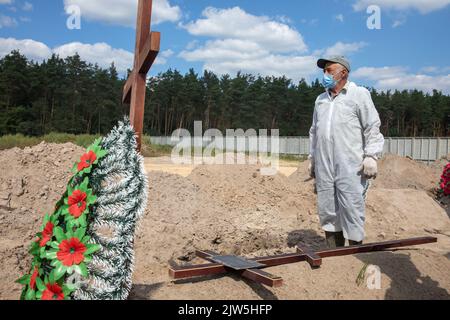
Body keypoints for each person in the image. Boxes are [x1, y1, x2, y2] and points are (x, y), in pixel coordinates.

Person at [308, 56, 385, 248]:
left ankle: (355, 253)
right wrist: (313, 158)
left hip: (350, 164)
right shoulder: (321, 100)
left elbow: (372, 126)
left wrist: (371, 156)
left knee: (351, 206)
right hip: (325, 163)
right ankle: (334, 252)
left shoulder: (359, 94)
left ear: (343, 73)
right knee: (327, 207)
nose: (325, 74)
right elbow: (314, 131)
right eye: (324, 70)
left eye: (329, 70)